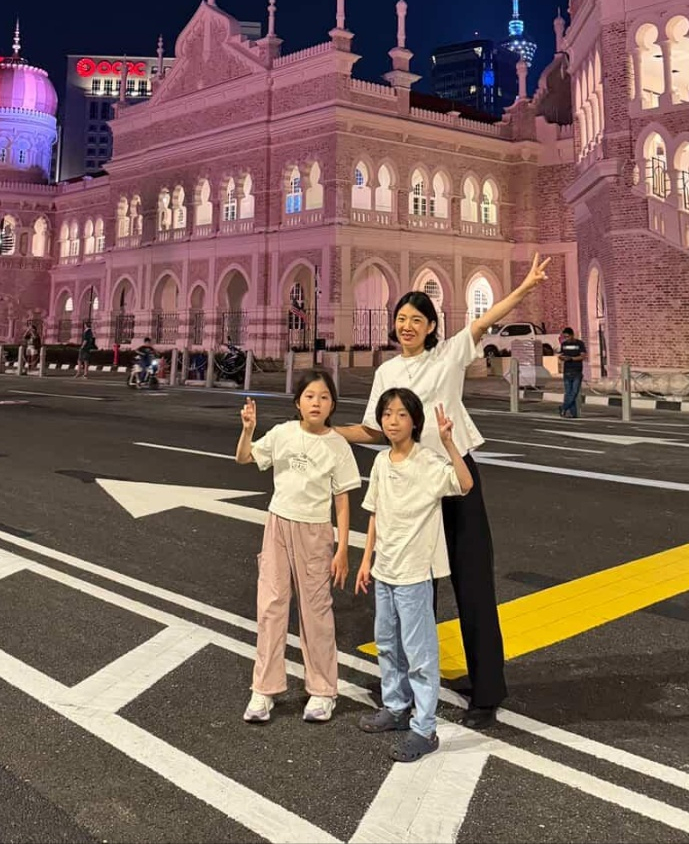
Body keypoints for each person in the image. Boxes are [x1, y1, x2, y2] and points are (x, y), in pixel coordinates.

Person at [337, 252, 550, 728]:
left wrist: (526, 286)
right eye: (401, 319)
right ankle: (411, 693)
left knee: (472, 581)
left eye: (417, 319)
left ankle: (486, 693)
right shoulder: (386, 373)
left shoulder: (449, 354)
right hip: (409, 483)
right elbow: (375, 429)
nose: (407, 325)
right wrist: (328, 431)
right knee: (416, 591)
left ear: (433, 326)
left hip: (453, 475)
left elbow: (485, 320)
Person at [236, 370, 360, 725]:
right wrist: (248, 430)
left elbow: (342, 500)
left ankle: (322, 691)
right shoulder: (282, 434)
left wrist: (341, 549)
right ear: (298, 403)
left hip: (315, 531)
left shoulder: (337, 444)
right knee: (271, 606)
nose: (316, 403)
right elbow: (245, 459)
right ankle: (264, 689)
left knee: (316, 611)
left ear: (332, 404)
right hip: (278, 524)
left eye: (323, 397)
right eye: (309, 396)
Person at [355, 390, 473, 763]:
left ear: (414, 422)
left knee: (420, 654)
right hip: (385, 568)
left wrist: (451, 442)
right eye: (387, 414)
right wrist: (365, 560)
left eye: (401, 415)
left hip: (414, 572)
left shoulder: (428, 462)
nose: (392, 421)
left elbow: (465, 483)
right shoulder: (380, 463)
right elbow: (373, 512)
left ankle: (424, 728)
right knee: (387, 643)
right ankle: (395, 707)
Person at [557, 326, 587, 419]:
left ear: (572, 335)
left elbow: (582, 356)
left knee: (574, 392)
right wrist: (562, 358)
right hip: (567, 371)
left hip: (577, 371)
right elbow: (561, 354)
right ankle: (573, 413)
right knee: (568, 392)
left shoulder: (579, 344)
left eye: (567, 336)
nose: (566, 338)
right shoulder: (564, 344)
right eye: (565, 337)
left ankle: (563, 408)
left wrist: (572, 358)